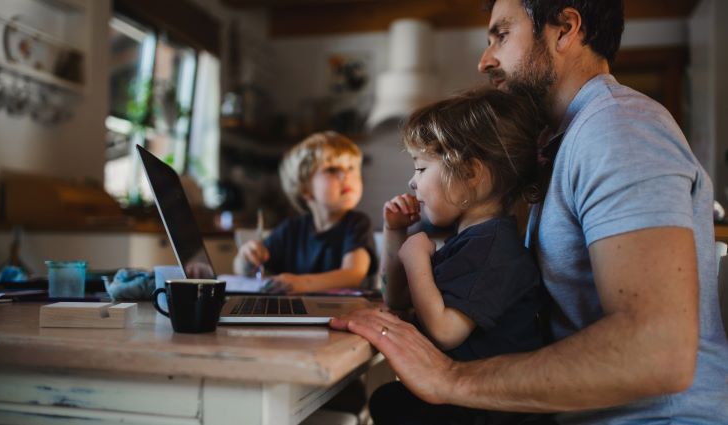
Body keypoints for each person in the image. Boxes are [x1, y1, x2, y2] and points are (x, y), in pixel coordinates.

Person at [330, 0, 728, 423]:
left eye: (501, 35)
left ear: (565, 29)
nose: (485, 60)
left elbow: (658, 351)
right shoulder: (563, 142)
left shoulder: (617, 129)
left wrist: (451, 379)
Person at [371, 88, 552, 425]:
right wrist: (395, 233)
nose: (412, 182)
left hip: (490, 413)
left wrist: (416, 259)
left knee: (391, 403)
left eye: (422, 168)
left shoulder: (494, 249)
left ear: (470, 173)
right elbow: (394, 297)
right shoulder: (469, 241)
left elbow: (444, 330)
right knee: (388, 400)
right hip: (467, 404)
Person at [233, 131, 377, 293]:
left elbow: (352, 275)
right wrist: (246, 259)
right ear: (305, 189)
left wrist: (302, 283)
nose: (346, 175)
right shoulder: (291, 229)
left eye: (351, 167)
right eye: (332, 169)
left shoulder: (357, 224)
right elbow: (243, 270)